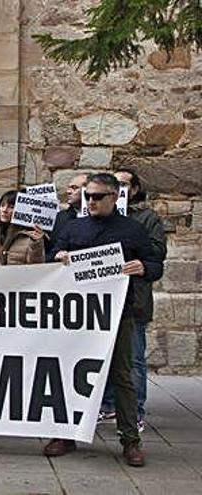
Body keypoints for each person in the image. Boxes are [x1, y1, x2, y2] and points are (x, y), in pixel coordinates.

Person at [46, 173, 163, 467]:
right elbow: (50, 258)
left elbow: (155, 264)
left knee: (122, 376)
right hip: (76, 314)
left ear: (114, 197)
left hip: (116, 314)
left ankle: (129, 440)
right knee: (69, 371)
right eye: (88, 196)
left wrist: (142, 267)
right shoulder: (73, 227)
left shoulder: (132, 230)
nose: (91, 202)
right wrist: (59, 255)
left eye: (98, 196)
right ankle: (65, 432)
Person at [99, 169, 167, 431]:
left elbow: (156, 254)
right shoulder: (97, 218)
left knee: (134, 358)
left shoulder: (146, 219)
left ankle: (135, 410)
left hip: (133, 300)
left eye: (124, 185)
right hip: (102, 300)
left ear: (134, 190)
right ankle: (107, 405)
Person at [47, 172, 88, 259]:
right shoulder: (59, 218)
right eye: (69, 188)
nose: (68, 192)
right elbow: (50, 251)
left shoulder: (101, 217)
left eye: (74, 188)